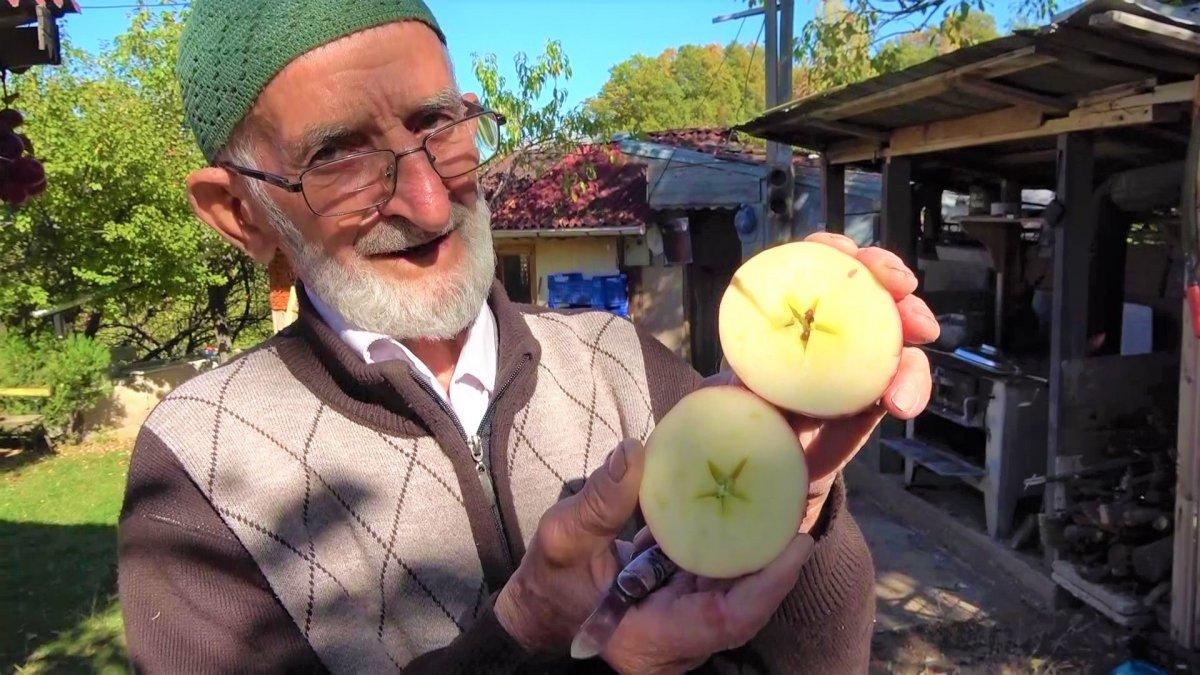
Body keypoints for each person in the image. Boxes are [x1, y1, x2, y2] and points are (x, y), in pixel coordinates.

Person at [117, 1, 939, 672]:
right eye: (339, 156)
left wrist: (800, 496)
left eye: (437, 123)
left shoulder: (622, 363)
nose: (433, 204)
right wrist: (521, 629)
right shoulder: (199, 470)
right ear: (238, 212)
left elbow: (819, 657)